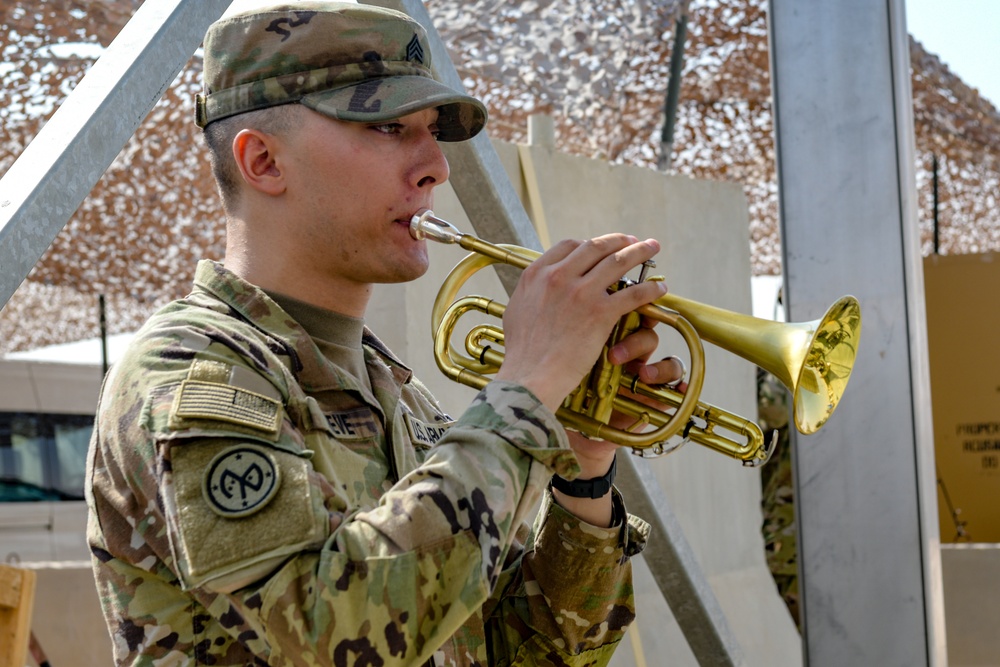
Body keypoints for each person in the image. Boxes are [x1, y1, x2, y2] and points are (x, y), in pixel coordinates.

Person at [86, 2, 684, 665]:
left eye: (431, 130)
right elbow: (335, 634)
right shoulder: (186, 371)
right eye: (389, 126)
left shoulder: (401, 396)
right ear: (263, 162)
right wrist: (528, 387)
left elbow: (529, 653)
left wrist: (584, 469)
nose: (436, 166)